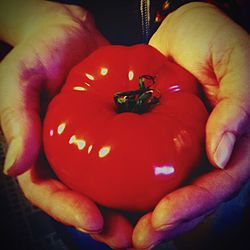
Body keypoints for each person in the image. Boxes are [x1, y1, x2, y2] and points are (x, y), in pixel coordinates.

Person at [0, 0, 249, 249]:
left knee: (215, 226)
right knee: (90, 230)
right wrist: (31, 19)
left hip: (207, 90)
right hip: (90, 195)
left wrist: (201, 7)